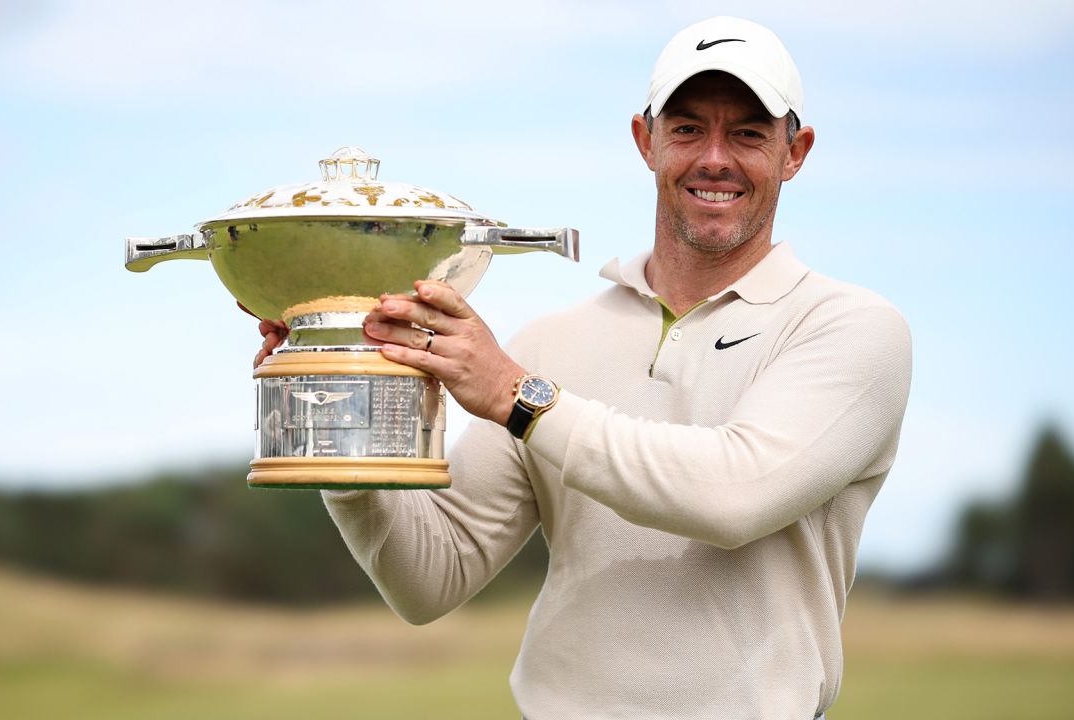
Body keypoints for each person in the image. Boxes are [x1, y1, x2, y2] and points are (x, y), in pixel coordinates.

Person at [255, 16, 911, 720]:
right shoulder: (555, 342)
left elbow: (733, 496)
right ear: (645, 140)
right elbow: (431, 579)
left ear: (795, 151)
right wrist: (349, 408)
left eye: (748, 133)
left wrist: (516, 395)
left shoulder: (851, 328)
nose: (715, 158)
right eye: (688, 128)